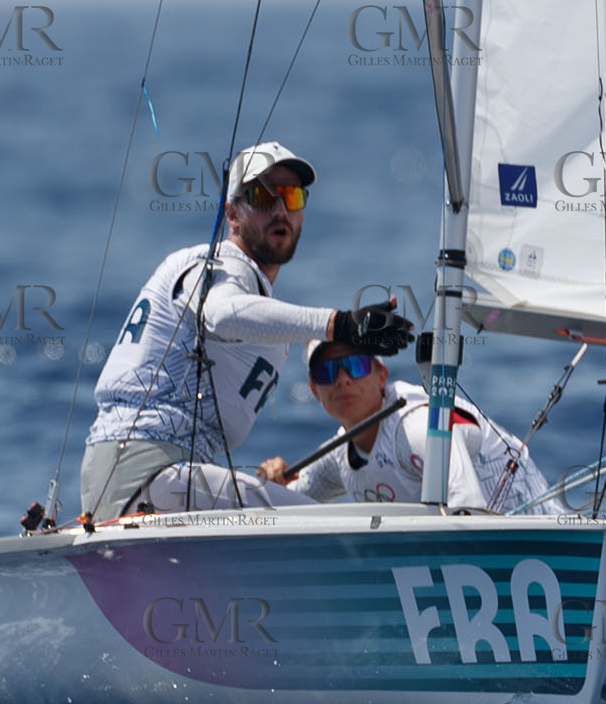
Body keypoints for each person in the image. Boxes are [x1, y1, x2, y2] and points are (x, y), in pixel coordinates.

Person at [79, 142, 413, 519]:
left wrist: (261, 484)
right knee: (324, 525)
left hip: (128, 480)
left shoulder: (259, 302)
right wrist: (340, 325)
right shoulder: (221, 266)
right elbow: (221, 314)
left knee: (289, 505)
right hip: (148, 471)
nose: (280, 209)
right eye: (262, 196)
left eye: (291, 196)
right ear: (232, 214)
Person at [258, 340, 567, 514]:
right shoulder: (338, 456)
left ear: (381, 375)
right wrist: (274, 485)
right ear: (314, 390)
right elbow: (287, 505)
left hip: (548, 545)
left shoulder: (417, 429)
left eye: (355, 365)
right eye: (327, 372)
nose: (342, 379)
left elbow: (469, 512)